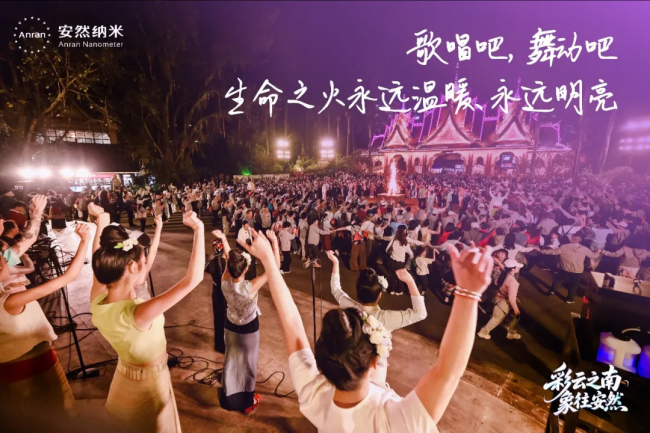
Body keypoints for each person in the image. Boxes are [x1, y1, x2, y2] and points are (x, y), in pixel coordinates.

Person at [240, 228, 494, 432]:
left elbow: (291, 322)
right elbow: (448, 372)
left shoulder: (314, 396)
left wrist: (270, 262)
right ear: (375, 362)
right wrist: (469, 293)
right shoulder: (395, 422)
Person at [89, 211, 204, 432]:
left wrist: (100, 224)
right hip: (149, 384)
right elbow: (193, 279)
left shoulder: (97, 300)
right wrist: (199, 229)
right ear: (133, 268)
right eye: (143, 261)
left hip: (123, 379)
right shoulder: (138, 314)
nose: (145, 263)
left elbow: (98, 258)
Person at [0, 224, 90, 419]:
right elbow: (69, 276)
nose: (7, 261)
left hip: (11, 372)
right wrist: (84, 241)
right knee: (57, 415)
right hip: (32, 372)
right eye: (3, 260)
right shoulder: (9, 302)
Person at [326, 251, 427, 386]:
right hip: (375, 372)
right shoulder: (385, 318)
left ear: (358, 291)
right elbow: (420, 313)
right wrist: (410, 281)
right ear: (380, 295)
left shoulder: (350, 308)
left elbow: (336, 289)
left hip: (351, 366)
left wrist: (336, 263)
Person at [219, 230, 281, 413]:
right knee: (249, 362)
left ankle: (229, 398)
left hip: (230, 325)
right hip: (249, 327)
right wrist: (274, 243)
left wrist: (223, 239)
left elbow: (229, 261)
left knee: (231, 360)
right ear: (245, 269)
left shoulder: (224, 281)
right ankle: (247, 402)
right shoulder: (251, 286)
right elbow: (275, 267)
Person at [538, 234, 601, 303]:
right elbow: (593, 256)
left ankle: (551, 292)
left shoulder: (564, 247)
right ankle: (569, 299)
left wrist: (540, 250)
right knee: (573, 286)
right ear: (580, 240)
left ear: (570, 239)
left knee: (557, 281)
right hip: (577, 271)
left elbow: (553, 252)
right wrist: (597, 252)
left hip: (564, 269)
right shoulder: (584, 249)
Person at [477, 259, 523, 340]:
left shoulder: (506, 275)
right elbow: (511, 298)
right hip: (503, 304)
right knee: (496, 319)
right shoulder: (513, 282)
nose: (519, 268)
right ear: (513, 268)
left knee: (508, 319)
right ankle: (483, 332)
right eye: (517, 266)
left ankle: (511, 333)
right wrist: (517, 311)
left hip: (498, 299)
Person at [207, 230, 230, 353]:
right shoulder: (226, 264)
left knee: (218, 318)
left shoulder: (212, 262)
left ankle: (219, 344)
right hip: (225, 294)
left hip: (216, 293)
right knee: (226, 319)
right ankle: (226, 344)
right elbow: (230, 257)